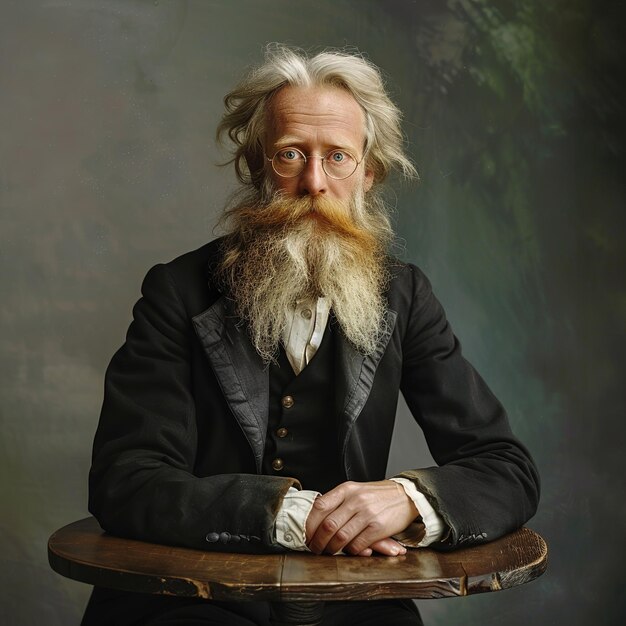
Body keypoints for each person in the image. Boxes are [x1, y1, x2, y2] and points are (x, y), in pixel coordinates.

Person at [82, 45, 540, 626]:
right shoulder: (176, 291)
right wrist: (289, 514)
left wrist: (408, 498)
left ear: (368, 173)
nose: (314, 182)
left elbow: (505, 467)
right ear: (257, 167)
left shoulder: (407, 297)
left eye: (339, 157)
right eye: (290, 155)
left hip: (353, 600)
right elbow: (127, 480)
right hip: (192, 595)